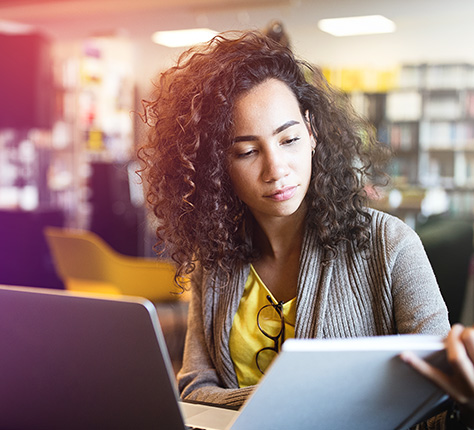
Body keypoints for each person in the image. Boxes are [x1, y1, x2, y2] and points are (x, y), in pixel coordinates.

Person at [138, 30, 472, 428]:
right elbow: (194, 390)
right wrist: (310, 400)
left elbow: (436, 397)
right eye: (247, 151)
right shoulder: (215, 259)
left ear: (311, 132)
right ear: (215, 165)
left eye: (289, 139)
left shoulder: (390, 244)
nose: (276, 170)